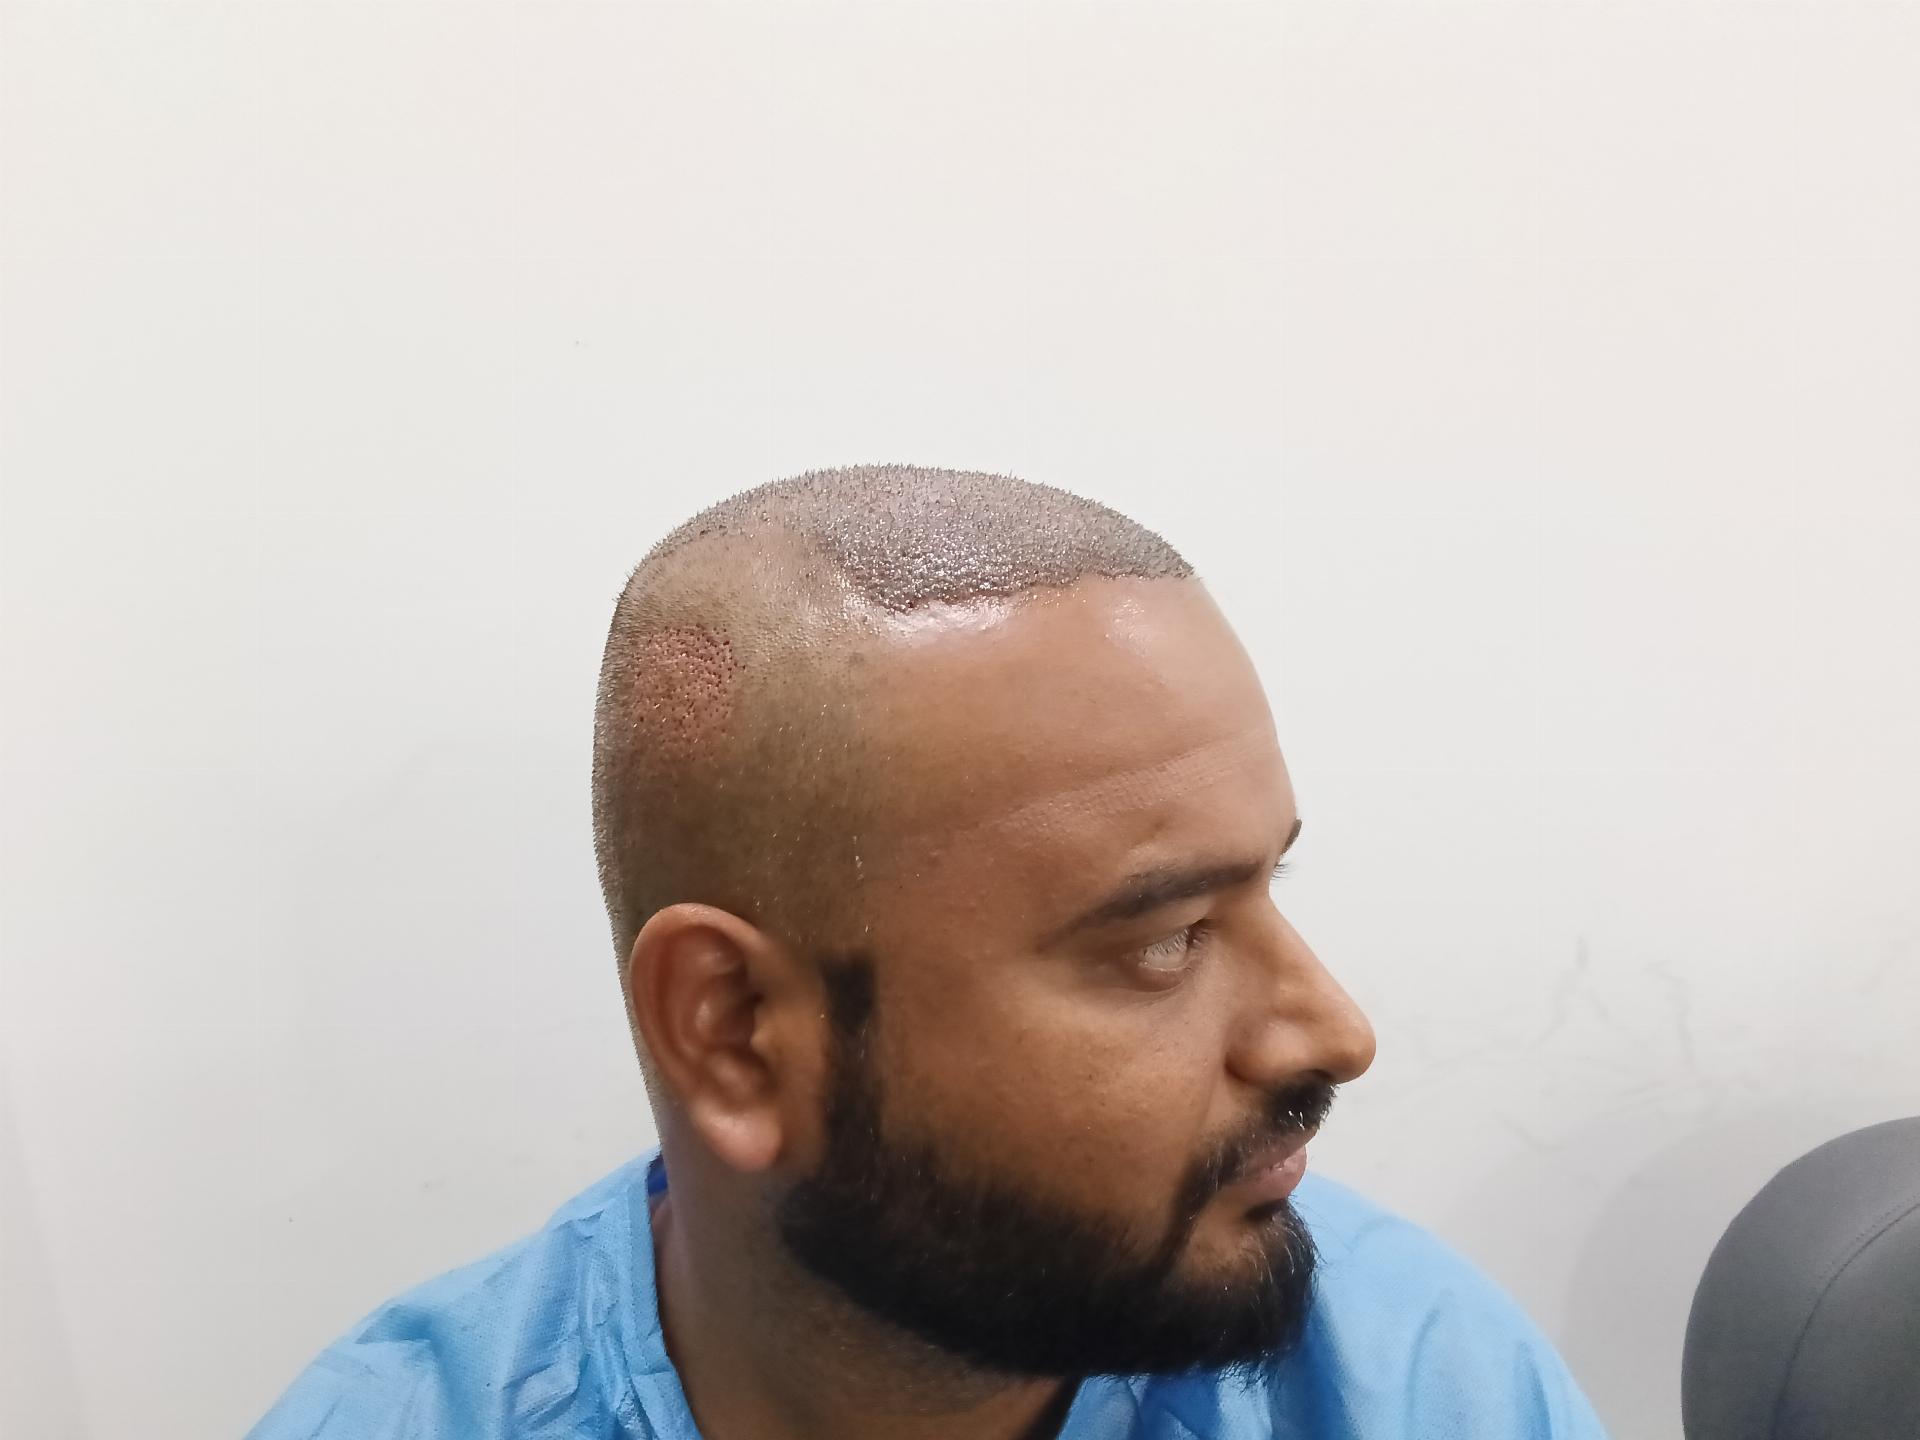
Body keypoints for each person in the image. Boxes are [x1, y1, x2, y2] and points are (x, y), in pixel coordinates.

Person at [248, 465, 1609, 1440]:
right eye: (1163, 940)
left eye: (1272, 884)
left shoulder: (1422, 1382)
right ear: (734, 1033)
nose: (1335, 1032)